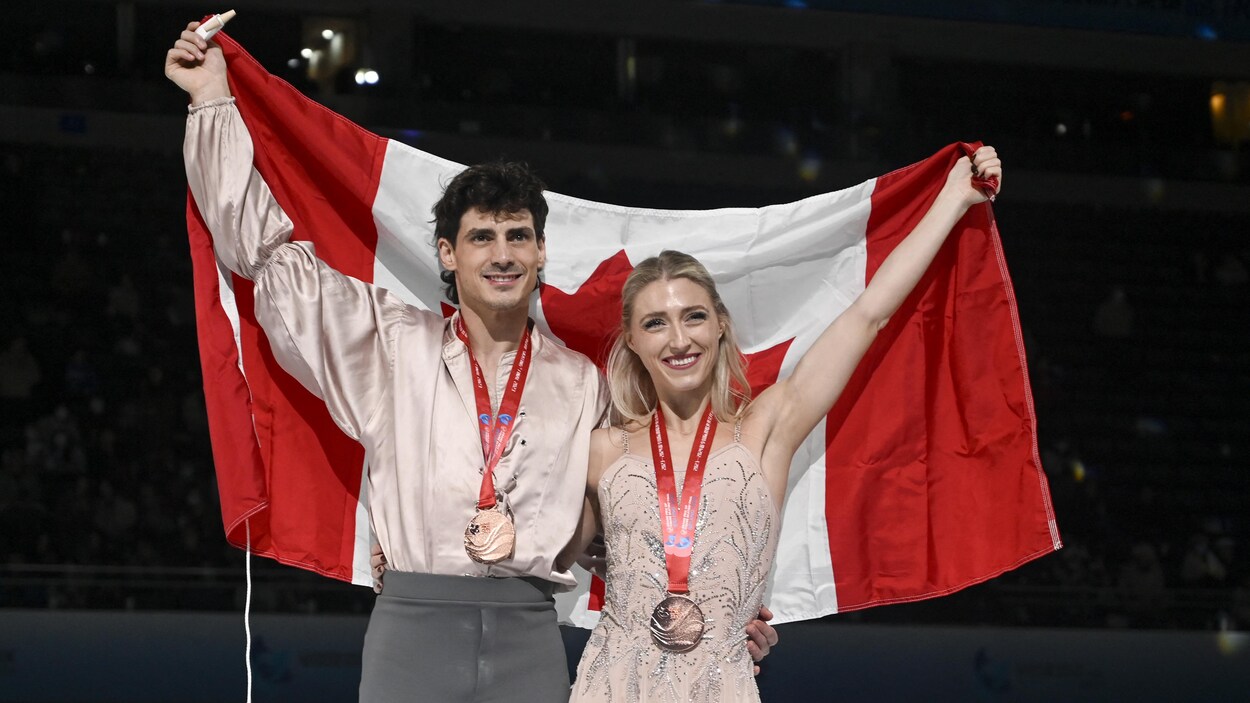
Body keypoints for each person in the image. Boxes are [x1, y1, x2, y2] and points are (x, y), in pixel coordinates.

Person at [164, 20, 775, 702]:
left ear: (543, 251)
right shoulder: (388, 345)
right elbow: (267, 257)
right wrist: (212, 100)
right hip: (411, 628)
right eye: (481, 237)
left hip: (529, 633)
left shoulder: (581, 383)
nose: (503, 253)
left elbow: (626, 527)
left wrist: (718, 616)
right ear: (449, 256)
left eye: (519, 235)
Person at [566, 147, 1002, 701]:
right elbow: (547, 545)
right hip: (612, 686)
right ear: (632, 340)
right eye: (656, 323)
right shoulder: (600, 449)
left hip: (721, 686)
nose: (679, 339)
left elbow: (870, 315)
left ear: (721, 325)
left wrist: (953, 199)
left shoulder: (767, 427)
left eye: (694, 316)